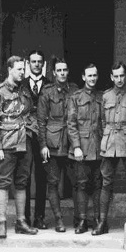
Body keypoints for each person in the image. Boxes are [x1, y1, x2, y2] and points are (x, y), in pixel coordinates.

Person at [0, 56, 38, 239]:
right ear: (10, 69)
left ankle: (21, 222)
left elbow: (31, 112)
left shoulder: (25, 91)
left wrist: (31, 130)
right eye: (18, 69)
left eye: (23, 70)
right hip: (6, 145)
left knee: (22, 182)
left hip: (24, 143)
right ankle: (1, 223)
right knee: (4, 183)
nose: (22, 72)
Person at [94, 62, 126, 236]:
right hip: (110, 141)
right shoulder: (106, 96)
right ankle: (102, 222)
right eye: (116, 76)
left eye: (122, 76)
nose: (119, 79)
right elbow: (102, 121)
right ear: (111, 77)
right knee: (106, 182)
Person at [36, 58, 78, 233]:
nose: (62, 73)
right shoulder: (46, 92)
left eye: (65, 70)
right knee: (53, 183)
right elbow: (40, 121)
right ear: (53, 73)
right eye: (59, 70)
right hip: (52, 144)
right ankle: (59, 220)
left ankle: (78, 218)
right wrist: (43, 145)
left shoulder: (75, 90)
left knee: (77, 181)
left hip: (70, 141)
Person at [66, 64, 103, 235]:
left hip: (99, 147)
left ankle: (97, 220)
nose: (92, 79)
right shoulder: (76, 97)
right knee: (81, 185)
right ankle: (81, 220)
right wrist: (77, 147)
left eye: (95, 75)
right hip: (81, 149)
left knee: (97, 185)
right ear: (83, 77)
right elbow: (71, 124)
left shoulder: (102, 96)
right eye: (89, 76)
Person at [22, 49, 51, 229]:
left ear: (43, 64)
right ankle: (24, 217)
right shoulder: (21, 84)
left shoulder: (49, 84)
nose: (37, 65)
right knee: (24, 176)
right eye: (33, 62)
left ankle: (39, 217)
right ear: (28, 64)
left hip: (43, 134)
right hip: (25, 134)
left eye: (40, 61)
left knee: (42, 176)